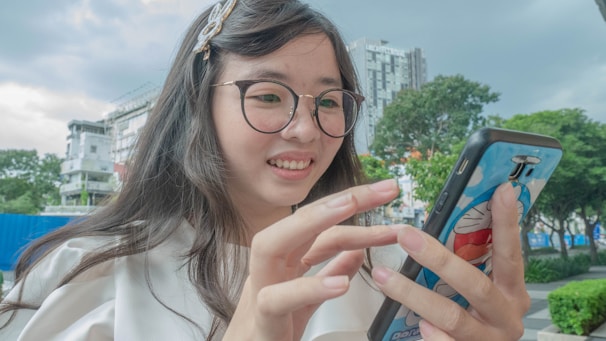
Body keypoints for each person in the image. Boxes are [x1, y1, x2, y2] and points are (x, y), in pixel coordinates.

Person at [0, 0, 530, 340]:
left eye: (329, 101)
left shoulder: (389, 266)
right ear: (197, 105)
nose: (306, 129)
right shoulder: (93, 272)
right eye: (270, 95)